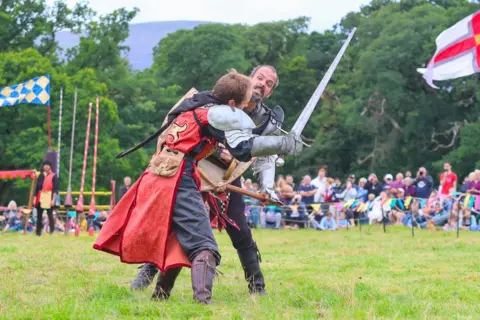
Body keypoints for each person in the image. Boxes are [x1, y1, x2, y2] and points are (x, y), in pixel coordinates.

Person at [94, 70, 303, 304]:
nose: (263, 84)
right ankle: (194, 299)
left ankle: (167, 295)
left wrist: (266, 186)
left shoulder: (247, 113)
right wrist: (284, 142)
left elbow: (261, 157)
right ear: (245, 84)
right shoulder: (216, 107)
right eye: (260, 78)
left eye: (269, 83)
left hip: (205, 172)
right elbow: (242, 147)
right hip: (186, 171)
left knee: (229, 229)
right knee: (198, 240)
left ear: (271, 91)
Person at [34, 160, 59, 236]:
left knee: (50, 215)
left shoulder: (54, 176)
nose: (46, 166)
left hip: (49, 195)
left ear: (50, 166)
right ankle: (38, 232)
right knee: (39, 215)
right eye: (45, 165)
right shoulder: (41, 176)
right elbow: (37, 188)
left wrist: (53, 199)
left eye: (48, 165)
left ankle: (52, 231)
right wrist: (34, 198)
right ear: (43, 166)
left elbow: (55, 189)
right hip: (40, 196)